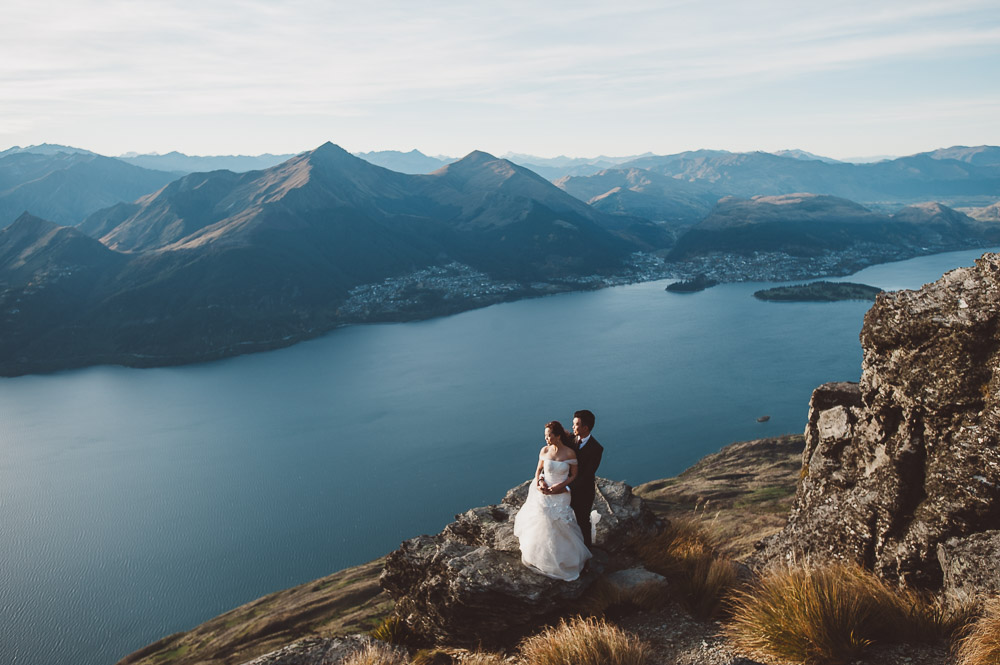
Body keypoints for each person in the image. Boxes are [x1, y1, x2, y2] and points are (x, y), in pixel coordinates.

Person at [513, 421, 593, 580]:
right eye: (545, 435)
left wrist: (560, 487)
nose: (546, 438)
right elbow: (538, 471)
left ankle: (565, 559)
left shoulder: (569, 453)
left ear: (557, 436)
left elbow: (573, 475)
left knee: (561, 525)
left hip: (561, 493)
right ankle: (541, 556)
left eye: (549, 435)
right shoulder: (544, 450)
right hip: (543, 492)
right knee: (542, 522)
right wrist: (539, 483)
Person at [569, 409, 603, 548]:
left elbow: (587, 475)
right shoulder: (569, 439)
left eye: (576, 424)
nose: (573, 427)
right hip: (566, 489)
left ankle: (586, 554)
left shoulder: (596, 448)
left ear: (585, 427)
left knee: (583, 521)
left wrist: (566, 486)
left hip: (583, 492)